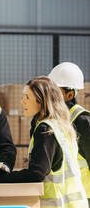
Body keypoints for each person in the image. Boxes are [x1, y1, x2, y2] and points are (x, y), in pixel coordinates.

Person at [0, 76, 88, 208]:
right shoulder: (62, 126)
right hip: (75, 203)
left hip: (57, 204)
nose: (22, 102)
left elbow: (36, 173)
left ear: (41, 100)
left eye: (27, 97)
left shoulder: (45, 129)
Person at [49, 62, 90, 205]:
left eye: (55, 90)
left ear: (69, 94)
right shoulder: (54, 121)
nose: (50, 94)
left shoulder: (82, 121)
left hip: (84, 198)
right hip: (63, 199)